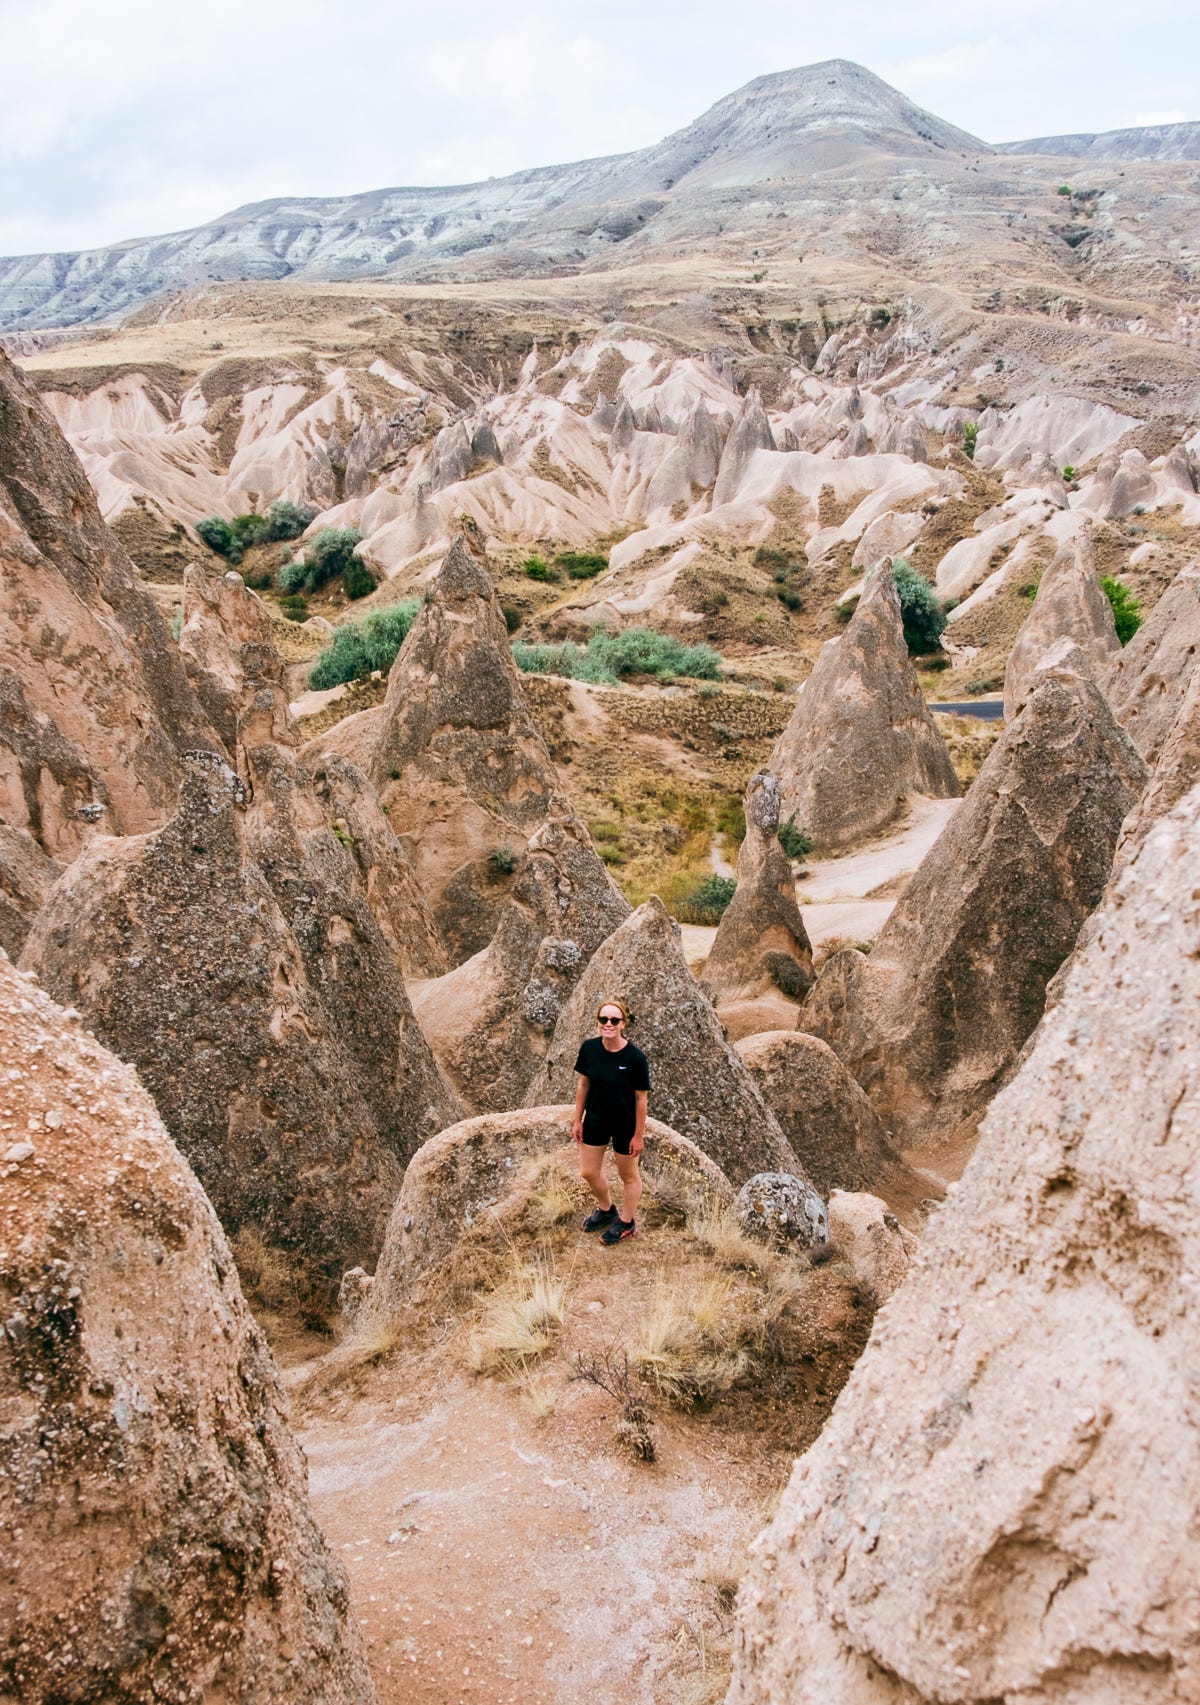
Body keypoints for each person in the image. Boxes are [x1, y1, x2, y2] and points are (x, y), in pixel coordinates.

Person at [571, 998, 649, 1245]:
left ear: (623, 1023)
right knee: (588, 1171)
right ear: (598, 1022)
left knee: (628, 1175)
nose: (608, 1024)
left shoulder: (636, 1058)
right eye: (603, 1019)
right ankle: (606, 1210)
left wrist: (638, 1135)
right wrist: (577, 1120)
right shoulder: (589, 1049)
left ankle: (626, 1222)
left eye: (614, 1020)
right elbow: (583, 1085)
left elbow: (641, 1099)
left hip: (625, 1125)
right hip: (595, 1119)